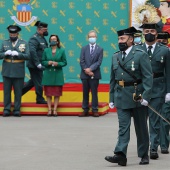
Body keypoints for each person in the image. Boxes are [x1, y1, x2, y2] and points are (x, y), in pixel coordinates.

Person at [105, 26, 153, 166]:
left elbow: (148, 77)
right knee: (123, 127)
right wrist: (111, 98)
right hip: (121, 96)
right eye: (119, 39)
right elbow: (112, 79)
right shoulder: (115, 56)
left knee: (141, 127)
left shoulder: (140, 54)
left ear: (131, 40)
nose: (120, 41)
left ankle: (144, 154)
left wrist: (146, 96)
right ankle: (120, 154)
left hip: (137, 96)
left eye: (123, 38)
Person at [138, 23, 170, 159]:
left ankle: (153, 148)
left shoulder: (164, 51)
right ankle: (143, 146)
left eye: (152, 31)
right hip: (142, 89)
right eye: (146, 31)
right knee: (141, 121)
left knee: (155, 120)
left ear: (156, 33)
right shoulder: (137, 49)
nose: (149, 33)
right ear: (143, 33)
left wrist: (168, 91)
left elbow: (168, 72)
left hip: (158, 88)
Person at [0, 25, 30, 117]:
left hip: (18, 70)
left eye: (14, 34)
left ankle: (17, 109)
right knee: (7, 91)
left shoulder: (24, 43)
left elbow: (28, 56)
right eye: (11, 34)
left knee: (18, 92)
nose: (12, 35)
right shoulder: (4, 42)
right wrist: (5, 54)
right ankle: (7, 109)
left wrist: (19, 54)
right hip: (7, 70)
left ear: (17, 34)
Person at [22, 21, 48, 104]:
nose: (46, 31)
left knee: (33, 81)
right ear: (39, 29)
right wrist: (38, 64)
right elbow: (32, 52)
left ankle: (18, 93)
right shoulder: (34, 38)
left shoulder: (42, 37)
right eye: (44, 29)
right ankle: (39, 98)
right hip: (34, 64)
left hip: (39, 63)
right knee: (39, 81)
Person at [79, 30, 103, 117]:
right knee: (85, 92)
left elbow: (99, 62)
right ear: (88, 38)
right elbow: (82, 61)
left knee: (94, 92)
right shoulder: (84, 48)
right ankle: (85, 109)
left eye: (93, 37)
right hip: (85, 74)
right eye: (90, 37)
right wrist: (87, 70)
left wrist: (91, 69)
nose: (92, 38)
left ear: (96, 38)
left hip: (94, 74)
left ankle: (95, 109)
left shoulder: (100, 49)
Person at [41, 34, 67, 116]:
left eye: (54, 39)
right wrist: (47, 62)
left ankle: (55, 110)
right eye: (51, 39)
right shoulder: (46, 50)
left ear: (57, 41)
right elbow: (42, 61)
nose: (53, 41)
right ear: (49, 41)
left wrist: (58, 64)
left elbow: (64, 62)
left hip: (57, 74)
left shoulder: (62, 50)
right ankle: (49, 109)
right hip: (48, 74)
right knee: (48, 94)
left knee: (56, 93)